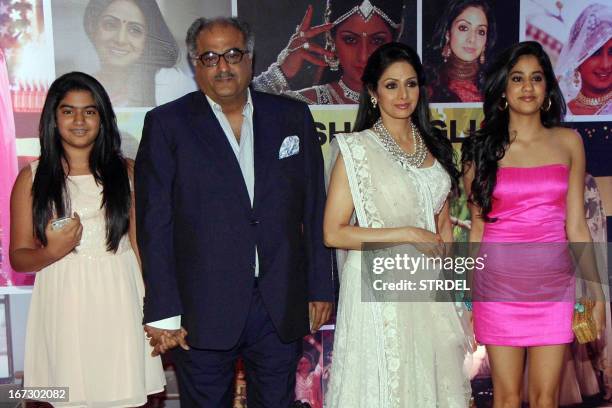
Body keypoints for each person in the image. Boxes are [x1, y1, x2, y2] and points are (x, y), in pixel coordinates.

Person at [134, 17, 334, 407]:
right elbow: (155, 224)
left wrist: (320, 287)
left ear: (250, 58)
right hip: (201, 307)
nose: (223, 66)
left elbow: (314, 208)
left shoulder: (291, 117)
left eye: (232, 54)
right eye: (210, 57)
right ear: (195, 63)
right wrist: (162, 310)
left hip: (279, 304)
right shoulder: (166, 125)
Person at [323, 42, 472, 407]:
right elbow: (334, 232)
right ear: (373, 92)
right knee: (387, 386)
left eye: (411, 84)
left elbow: (441, 222)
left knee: (429, 386)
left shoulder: (434, 144)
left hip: (427, 287)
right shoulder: (356, 149)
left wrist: (454, 281)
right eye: (391, 85)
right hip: (379, 288)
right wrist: (406, 234)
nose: (403, 94)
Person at [462, 41, 606, 408]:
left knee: (546, 399)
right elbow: (477, 232)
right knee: (506, 398)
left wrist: (595, 291)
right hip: (497, 287)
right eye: (517, 78)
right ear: (504, 90)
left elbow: (576, 226)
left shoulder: (568, 142)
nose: (527, 87)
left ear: (546, 90)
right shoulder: (481, 149)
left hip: (555, 288)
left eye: (536, 78)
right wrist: (465, 300)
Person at [9, 71, 165, 406]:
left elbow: (141, 247)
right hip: (63, 301)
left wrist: (159, 310)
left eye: (89, 111)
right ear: (53, 118)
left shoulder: (128, 171)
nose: (79, 120)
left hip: (121, 298)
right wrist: (53, 251)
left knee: (123, 396)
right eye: (68, 111)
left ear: (103, 118)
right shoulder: (32, 178)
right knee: (68, 395)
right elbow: (18, 257)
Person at [252, 0, 404, 104]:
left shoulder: (410, 103)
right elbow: (237, 115)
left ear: (394, 40)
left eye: (377, 41)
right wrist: (281, 72)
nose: (364, 56)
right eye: (350, 40)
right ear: (332, 39)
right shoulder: (307, 104)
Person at [83, 0, 181, 107]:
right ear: (93, 28)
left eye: (135, 30)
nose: (121, 40)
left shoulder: (169, 85)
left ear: (148, 40)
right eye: (110, 25)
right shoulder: (77, 89)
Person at [425, 0, 496, 103]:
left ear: (486, 42)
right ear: (448, 34)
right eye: (463, 28)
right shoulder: (426, 83)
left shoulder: (496, 86)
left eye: (481, 31)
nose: (472, 39)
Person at [556, 3, 612, 116]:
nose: (605, 65)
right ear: (577, 58)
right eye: (595, 53)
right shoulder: (561, 112)